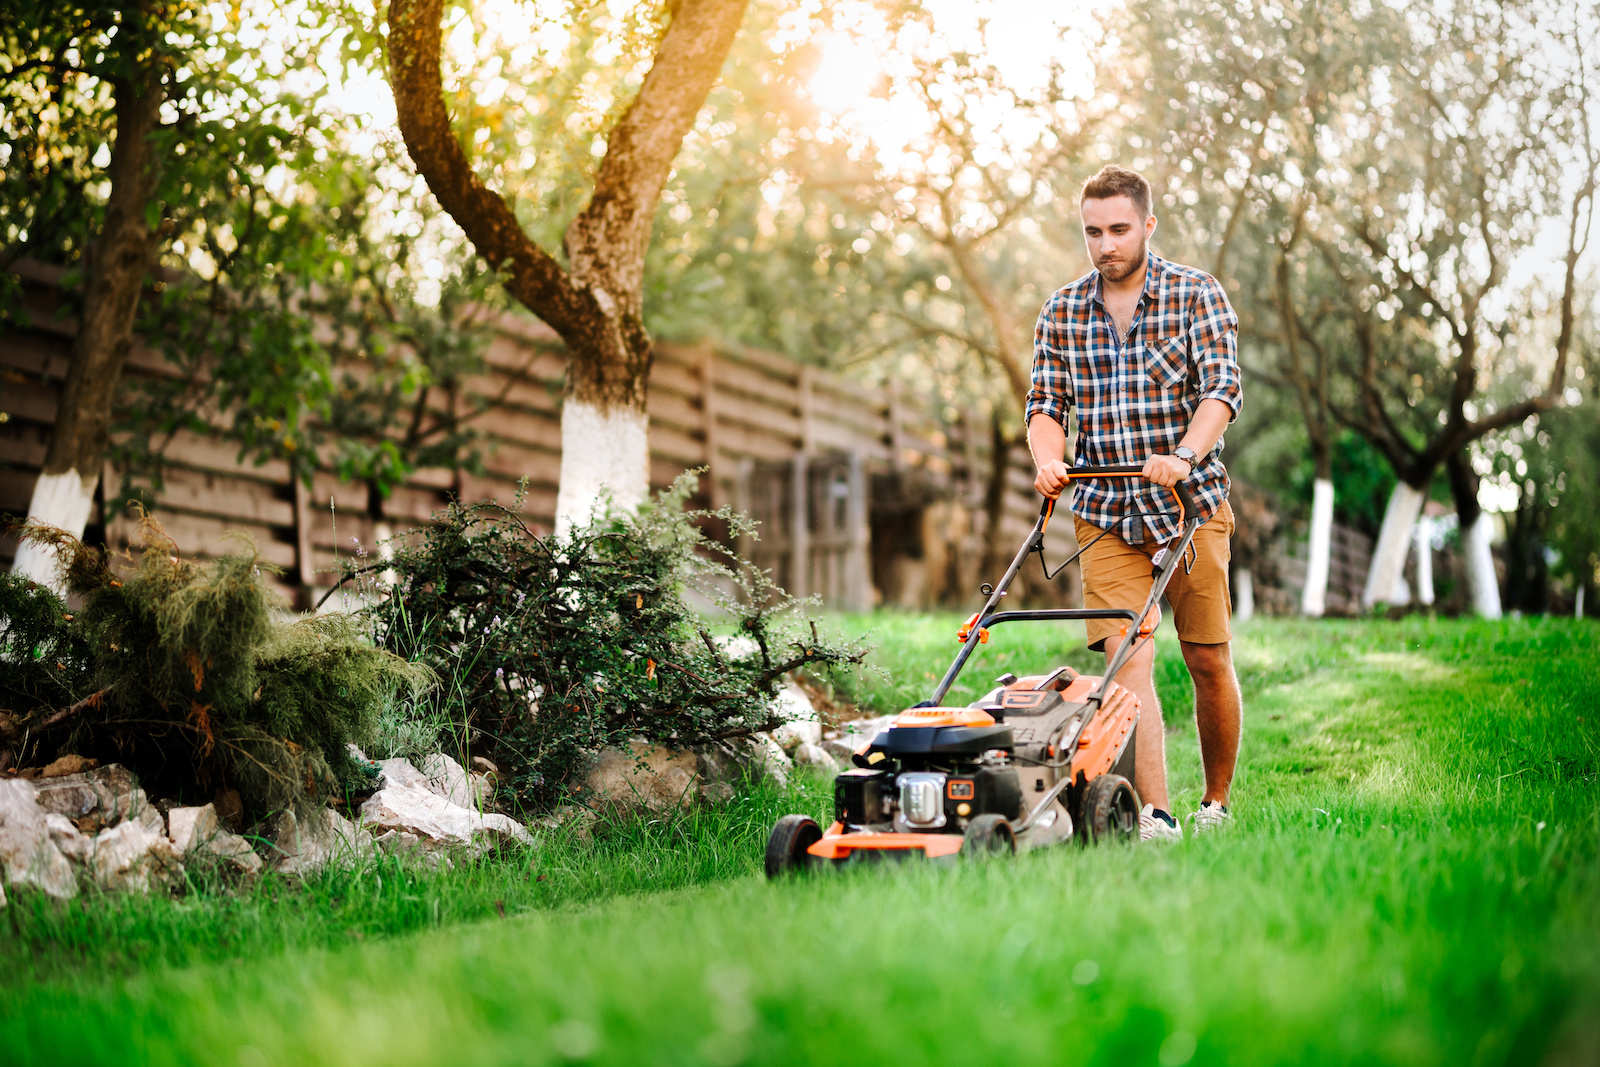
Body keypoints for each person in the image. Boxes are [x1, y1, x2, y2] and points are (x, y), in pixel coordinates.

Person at [1025, 164, 1243, 841]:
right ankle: (1158, 814)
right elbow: (1045, 404)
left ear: (1147, 224)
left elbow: (1221, 391)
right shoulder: (1062, 310)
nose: (1105, 244)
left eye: (1118, 229)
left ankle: (1215, 802)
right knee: (1129, 663)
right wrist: (1048, 459)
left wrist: (1183, 453)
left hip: (1189, 502)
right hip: (1106, 510)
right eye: (1092, 231)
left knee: (1207, 658)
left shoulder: (1195, 294)